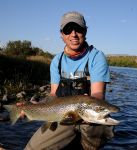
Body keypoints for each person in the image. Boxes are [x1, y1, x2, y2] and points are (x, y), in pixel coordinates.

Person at [24, 11, 114, 150]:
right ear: (62, 34)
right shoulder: (57, 61)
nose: (73, 34)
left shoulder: (96, 57)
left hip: (89, 118)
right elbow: (54, 95)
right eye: (68, 30)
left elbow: (97, 95)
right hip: (62, 116)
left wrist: (86, 105)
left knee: (100, 124)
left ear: (85, 31)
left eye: (78, 29)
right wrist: (37, 106)